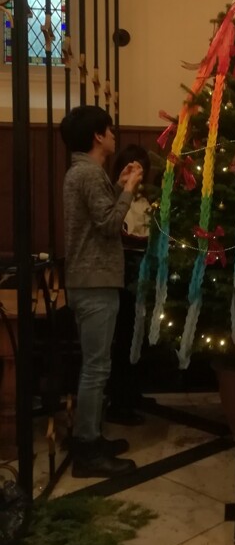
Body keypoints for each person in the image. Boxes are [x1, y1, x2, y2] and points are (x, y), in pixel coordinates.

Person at [60, 106, 143, 478]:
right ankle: (88, 450)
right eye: (109, 129)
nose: (114, 135)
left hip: (90, 280)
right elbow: (110, 224)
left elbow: (99, 215)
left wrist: (117, 184)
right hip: (94, 282)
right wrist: (127, 189)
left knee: (97, 365)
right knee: (95, 368)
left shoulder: (86, 173)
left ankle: (91, 436)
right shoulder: (88, 173)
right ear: (97, 135)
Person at [105, 144, 152, 427]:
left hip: (146, 270)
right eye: (130, 166)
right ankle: (120, 402)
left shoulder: (149, 199)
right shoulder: (117, 197)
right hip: (123, 271)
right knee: (124, 337)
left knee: (141, 335)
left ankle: (134, 393)